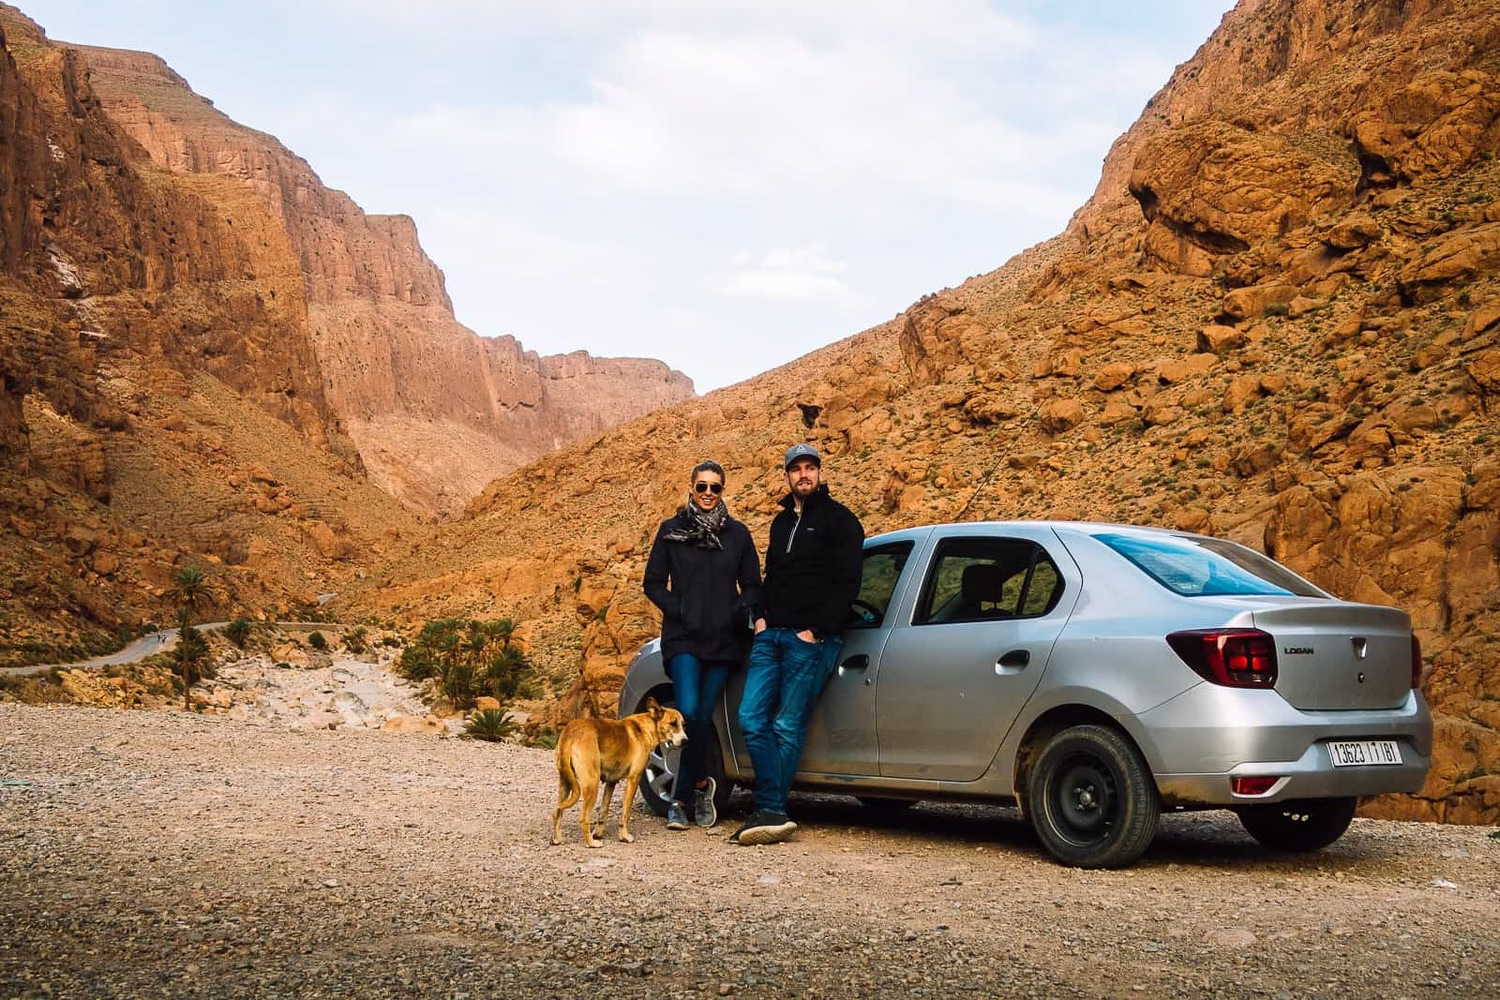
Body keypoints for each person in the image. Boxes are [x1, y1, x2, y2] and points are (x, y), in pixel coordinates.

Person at [732, 443, 864, 846]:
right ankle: (771, 808)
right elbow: (770, 577)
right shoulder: (780, 522)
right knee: (750, 718)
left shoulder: (842, 521)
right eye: (796, 469)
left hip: (810, 640)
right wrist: (759, 619)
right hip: (770, 634)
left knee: (787, 725)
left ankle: (770, 808)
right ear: (787, 476)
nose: (803, 474)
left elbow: (848, 583)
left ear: (820, 473)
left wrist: (816, 630)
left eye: (810, 467)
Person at [643, 459, 762, 831]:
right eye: (702, 487)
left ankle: (685, 796)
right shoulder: (672, 531)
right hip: (684, 638)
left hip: (724, 642)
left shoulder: (738, 535)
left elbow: (753, 586)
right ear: (691, 488)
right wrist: (681, 609)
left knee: (702, 714)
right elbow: (653, 583)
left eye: (715, 487)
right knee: (691, 711)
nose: (708, 493)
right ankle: (691, 790)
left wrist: (737, 611)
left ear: (722, 490)